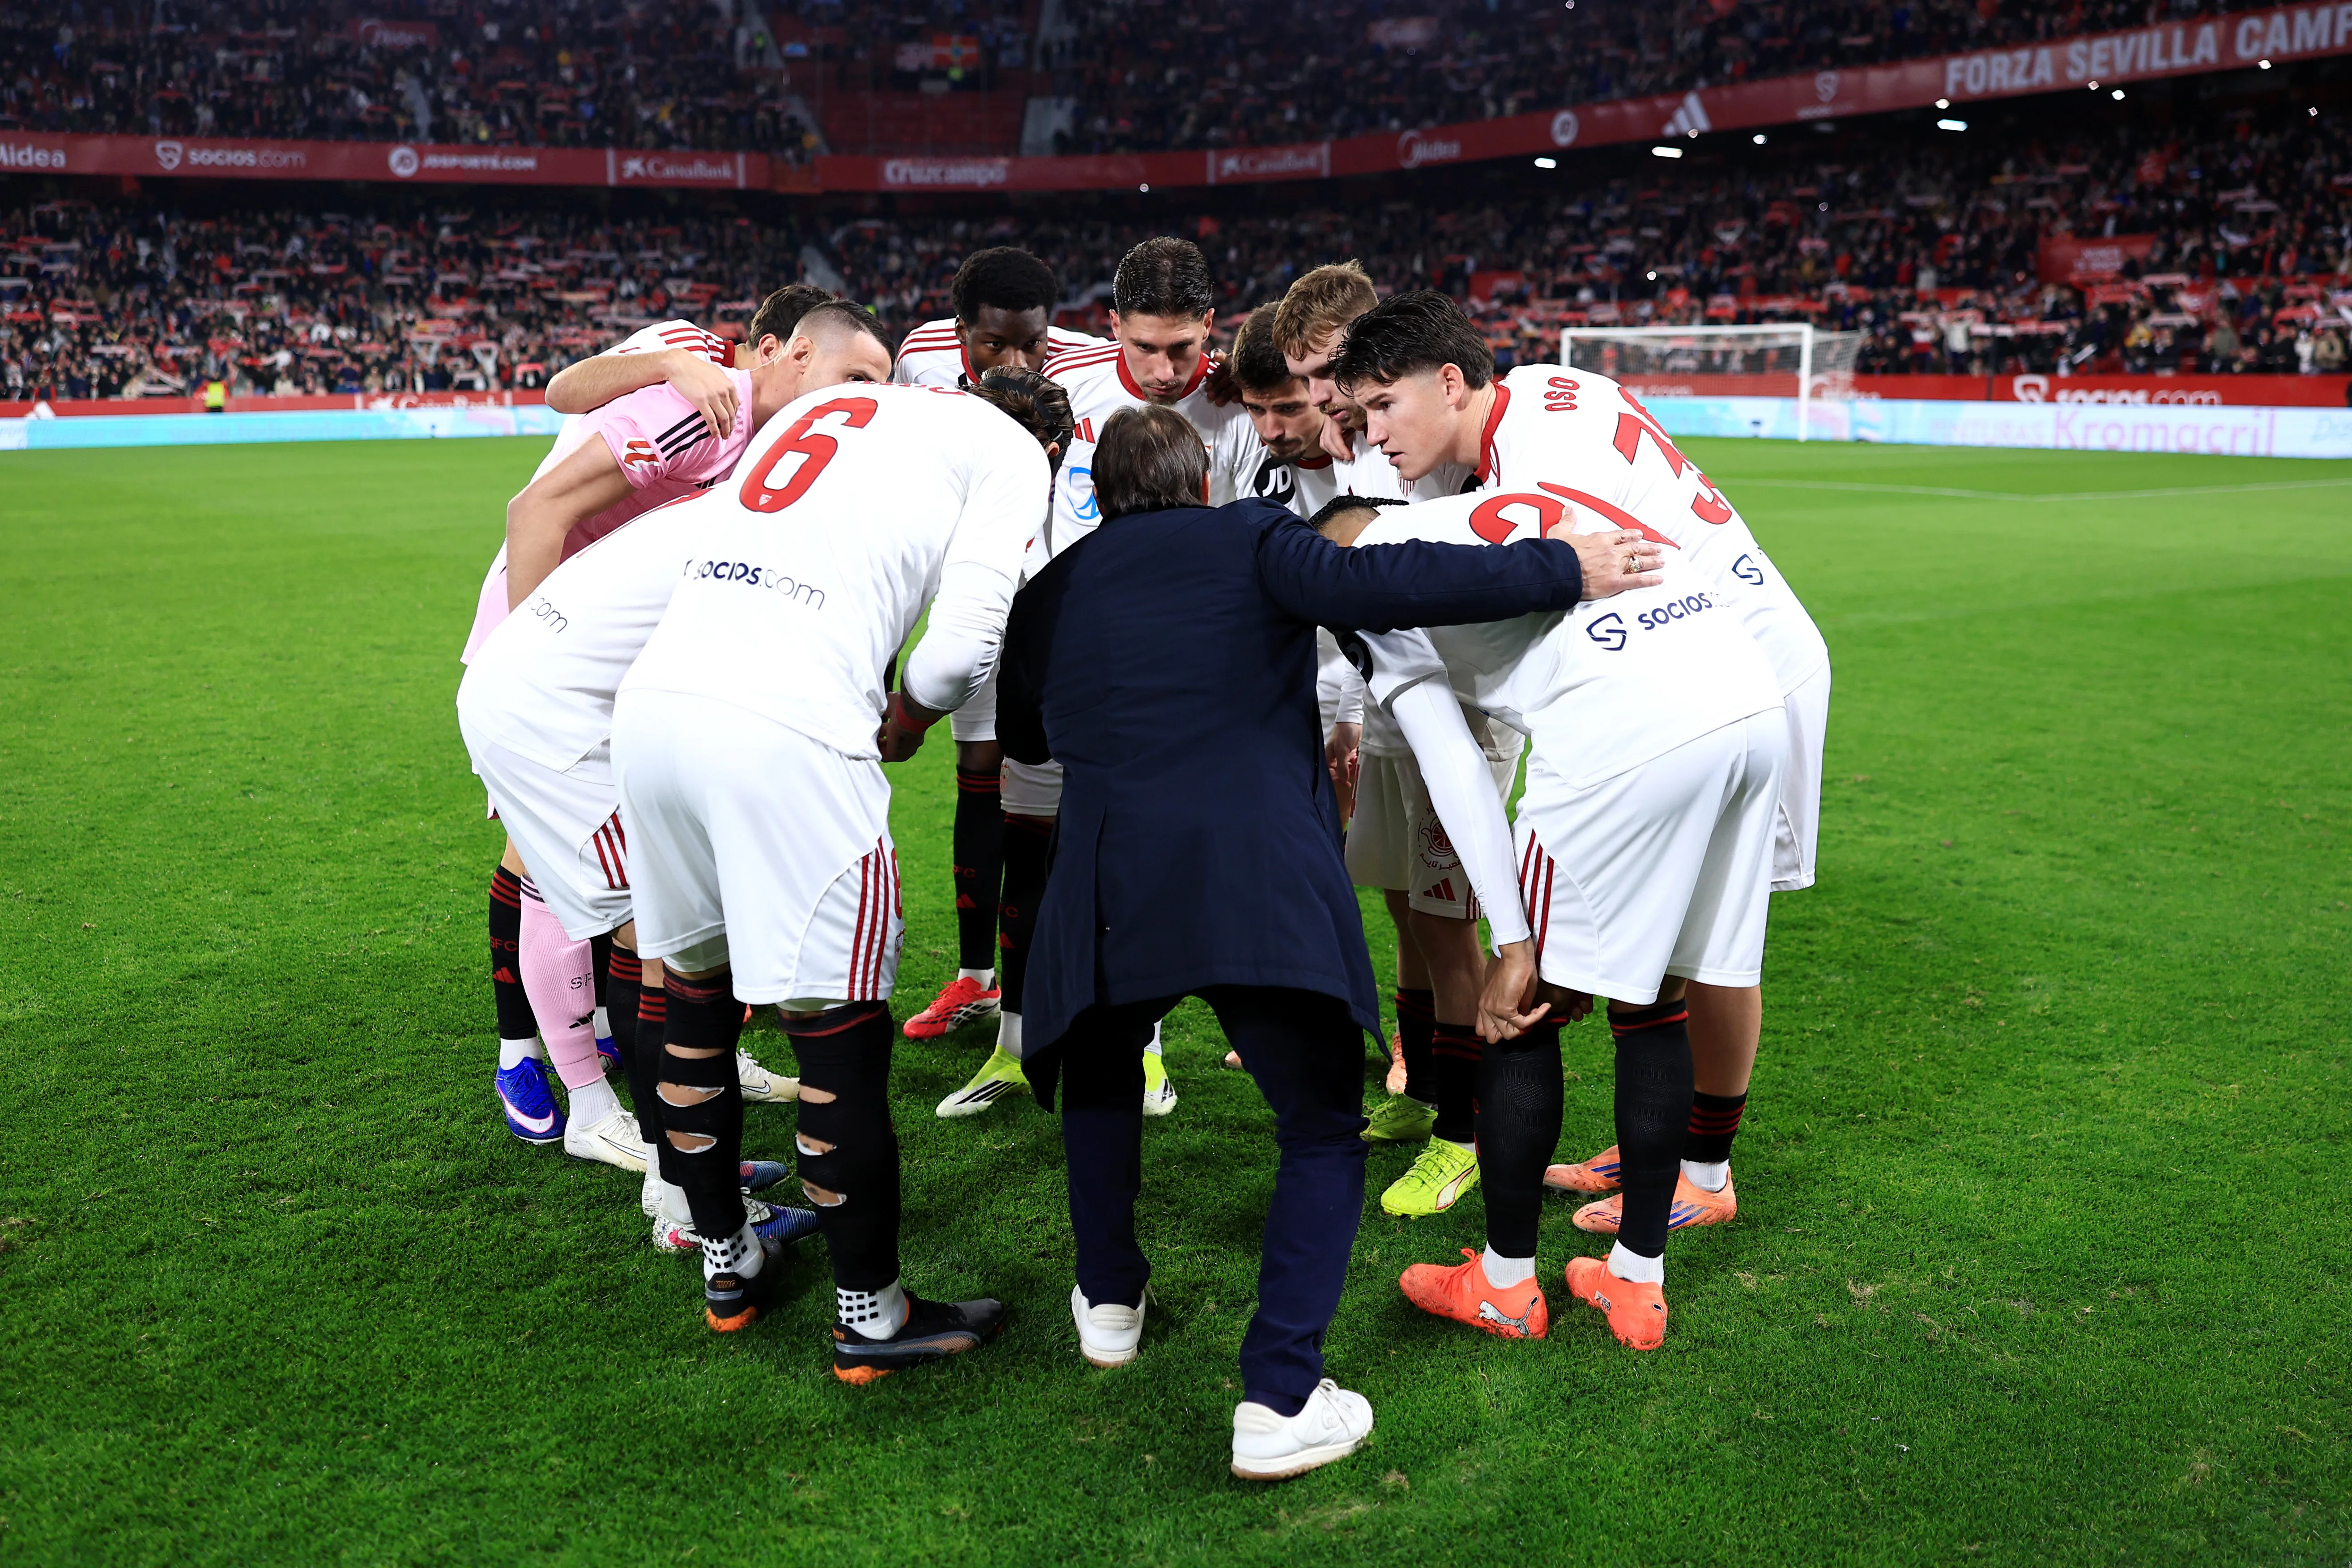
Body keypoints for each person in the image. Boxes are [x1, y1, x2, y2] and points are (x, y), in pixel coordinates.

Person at [997, 405, 1666, 1479]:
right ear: (1202, 485)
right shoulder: (1254, 538)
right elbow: (1386, 581)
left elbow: (1022, 732)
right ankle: (1278, 1398)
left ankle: (1110, 1301)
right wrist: (1562, 567)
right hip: (1254, 870)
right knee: (1315, 1126)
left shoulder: (1052, 589)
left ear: (1101, 495)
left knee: (1105, 1079)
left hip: (1106, 878)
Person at [1335, 289, 1830, 1239]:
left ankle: (1702, 1168)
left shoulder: (1538, 464)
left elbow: (1609, 596)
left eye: (1381, 407)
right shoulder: (1532, 402)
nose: (1370, 434)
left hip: (1738, 667)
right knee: (1674, 935)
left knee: (1709, 939)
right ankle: (1669, 1152)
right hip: (1697, 665)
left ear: (1449, 381)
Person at [612, 358, 1073, 1376]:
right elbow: (956, 655)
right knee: (837, 1037)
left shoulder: (831, 405)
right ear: (1047, 442)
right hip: (791, 734)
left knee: (694, 1001)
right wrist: (908, 719)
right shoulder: (1008, 452)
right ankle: (871, 1316)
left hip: (652, 714)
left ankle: (726, 1261)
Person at [454, 311, 902, 1253]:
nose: (868, 399)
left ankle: (681, 1158)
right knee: (634, 925)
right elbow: (537, 507)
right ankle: (637, 1154)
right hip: (554, 667)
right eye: (856, 373)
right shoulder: (708, 406)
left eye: (882, 383)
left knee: (657, 921)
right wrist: (530, 660)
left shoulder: (771, 445)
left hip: (609, 659)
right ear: (786, 350)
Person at [938, 236, 1250, 1121]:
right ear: (1109, 325)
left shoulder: (1240, 410)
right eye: (1143, 346)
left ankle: (1143, 1051)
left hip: (1172, 687)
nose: (1161, 369)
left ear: (1210, 331)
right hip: (1053, 666)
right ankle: (1014, 1040)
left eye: (1183, 348)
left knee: (1133, 868)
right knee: (1029, 857)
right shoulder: (1063, 390)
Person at [1272, 264, 1497, 1212]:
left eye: (1330, 374)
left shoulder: (1444, 446)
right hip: (1397, 704)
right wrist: (1351, 714)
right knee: (1406, 903)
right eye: (1309, 378)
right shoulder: (1356, 449)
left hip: (1465, 707)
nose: (1319, 398)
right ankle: (1428, 1088)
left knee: (1449, 922)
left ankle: (1466, 1128)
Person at [891, 247, 1102, 1047]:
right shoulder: (919, 360)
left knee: (1041, 794)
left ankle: (1038, 983)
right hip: (972, 594)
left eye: (1031, 346)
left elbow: (1171, 362)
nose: (1016, 362)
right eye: (993, 347)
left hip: (1051, 603)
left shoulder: (1089, 361)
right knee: (977, 773)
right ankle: (975, 978)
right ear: (959, 335)